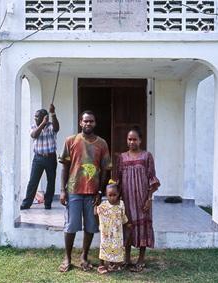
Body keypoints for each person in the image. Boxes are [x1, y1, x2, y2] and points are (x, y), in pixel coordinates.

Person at [58, 110, 112, 272]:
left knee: (90, 227)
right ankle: (67, 257)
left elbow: (105, 169)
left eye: (91, 121)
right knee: (71, 226)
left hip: (93, 192)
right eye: (85, 121)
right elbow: (64, 167)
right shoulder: (71, 141)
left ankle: (84, 256)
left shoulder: (102, 144)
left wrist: (100, 192)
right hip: (74, 190)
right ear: (80, 122)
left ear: (95, 123)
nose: (88, 124)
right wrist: (62, 190)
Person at [116, 126, 160, 272]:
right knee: (127, 226)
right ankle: (127, 259)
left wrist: (149, 199)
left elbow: (151, 179)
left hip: (142, 200)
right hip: (127, 200)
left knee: (143, 227)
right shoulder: (122, 157)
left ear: (140, 140)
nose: (132, 142)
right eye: (130, 139)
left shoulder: (147, 156)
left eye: (135, 139)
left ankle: (141, 259)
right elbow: (119, 181)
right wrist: (118, 201)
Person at [20, 104, 59, 210]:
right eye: (35, 116)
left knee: (51, 181)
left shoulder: (51, 126)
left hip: (50, 157)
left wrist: (53, 114)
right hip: (38, 158)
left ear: (44, 117)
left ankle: (48, 203)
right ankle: (27, 203)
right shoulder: (33, 126)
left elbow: (56, 128)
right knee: (33, 181)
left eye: (38, 116)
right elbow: (34, 135)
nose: (35, 118)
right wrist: (42, 123)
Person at [95, 181, 131, 274]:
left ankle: (115, 264)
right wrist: (95, 206)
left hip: (117, 233)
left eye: (114, 195)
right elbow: (96, 213)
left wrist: (127, 223)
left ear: (118, 194)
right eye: (109, 195)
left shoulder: (121, 204)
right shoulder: (103, 205)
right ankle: (101, 264)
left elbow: (123, 215)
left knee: (117, 247)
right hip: (106, 232)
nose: (112, 197)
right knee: (104, 246)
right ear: (106, 195)